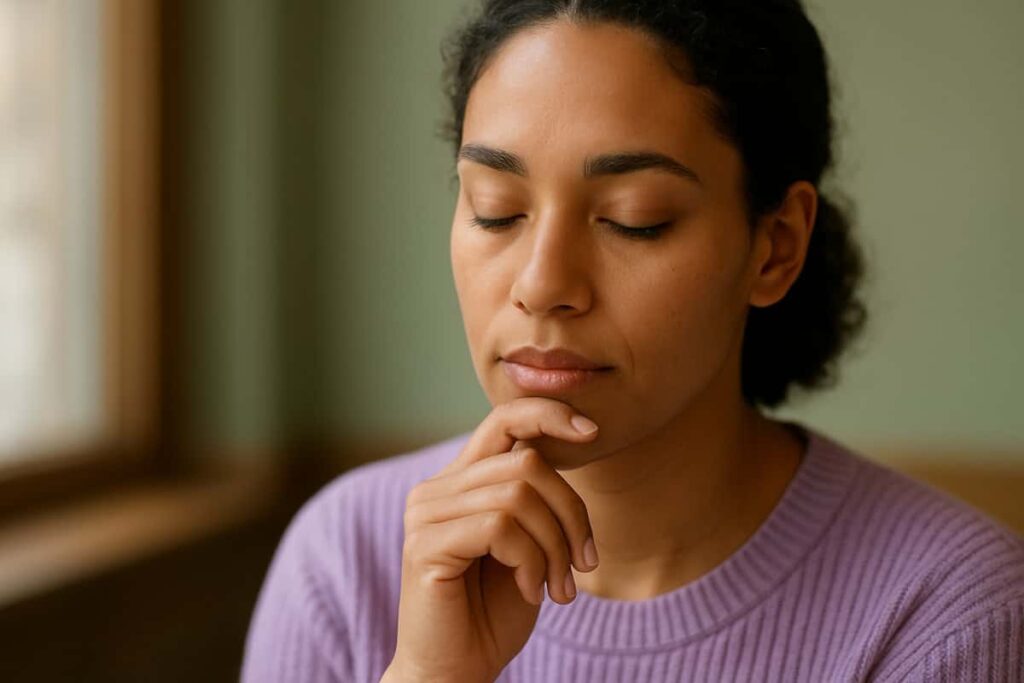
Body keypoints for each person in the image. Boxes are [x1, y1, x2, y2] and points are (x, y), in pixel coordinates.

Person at [241, 1, 1024, 681]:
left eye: (633, 218)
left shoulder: (950, 613)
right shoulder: (347, 560)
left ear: (775, 244)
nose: (542, 282)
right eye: (496, 209)